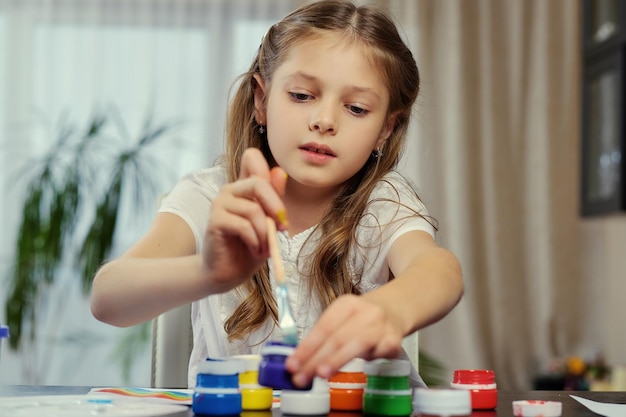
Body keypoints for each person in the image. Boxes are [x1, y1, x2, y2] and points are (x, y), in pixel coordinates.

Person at [90, 0, 463, 389]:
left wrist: (390, 310)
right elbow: (107, 298)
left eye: (355, 108)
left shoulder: (385, 204)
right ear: (261, 100)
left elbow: (440, 271)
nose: (324, 121)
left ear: (385, 130)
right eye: (302, 96)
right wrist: (209, 273)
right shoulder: (211, 196)